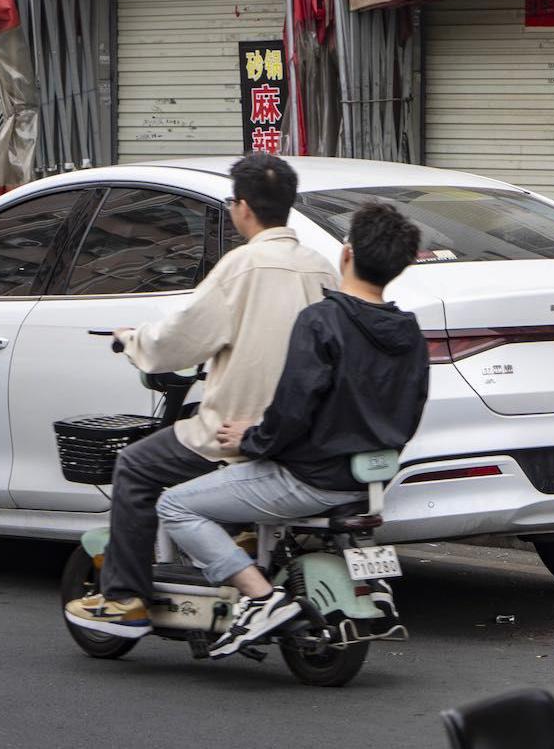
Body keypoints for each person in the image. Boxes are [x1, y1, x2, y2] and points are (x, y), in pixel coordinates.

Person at [63, 153, 337, 639]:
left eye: (233, 202)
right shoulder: (320, 268)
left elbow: (182, 338)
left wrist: (133, 340)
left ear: (244, 208)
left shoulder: (243, 265)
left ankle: (126, 598)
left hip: (236, 428)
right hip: (304, 431)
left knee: (135, 466)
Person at [155, 199, 430, 658]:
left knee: (176, 505)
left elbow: (293, 410)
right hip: (369, 482)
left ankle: (261, 601)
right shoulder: (409, 333)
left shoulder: (322, 321)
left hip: (309, 479)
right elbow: (410, 410)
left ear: (347, 254)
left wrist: (252, 437)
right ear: (398, 267)